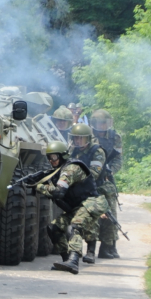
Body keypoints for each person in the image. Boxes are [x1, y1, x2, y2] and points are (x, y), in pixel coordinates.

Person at [36, 140, 108, 274]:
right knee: (54, 228)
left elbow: (58, 192)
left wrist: (40, 187)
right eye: (49, 158)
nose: (51, 161)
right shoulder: (57, 171)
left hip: (91, 203)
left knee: (75, 226)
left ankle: (74, 261)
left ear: (62, 156)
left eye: (54, 157)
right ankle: (66, 260)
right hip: (78, 206)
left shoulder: (71, 168)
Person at [68, 122, 106, 264]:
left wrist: (73, 176)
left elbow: (94, 174)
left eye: (81, 138)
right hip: (75, 189)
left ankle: (91, 251)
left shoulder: (97, 151)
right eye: (76, 138)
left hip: (92, 188)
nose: (78, 141)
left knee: (91, 220)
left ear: (88, 139)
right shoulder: (72, 150)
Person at [90, 109, 123, 259]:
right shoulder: (88, 136)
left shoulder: (115, 137)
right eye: (99, 123)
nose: (102, 126)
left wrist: (110, 170)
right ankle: (90, 249)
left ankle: (108, 246)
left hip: (107, 178)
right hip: (90, 177)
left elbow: (118, 159)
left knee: (110, 214)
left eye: (105, 123)